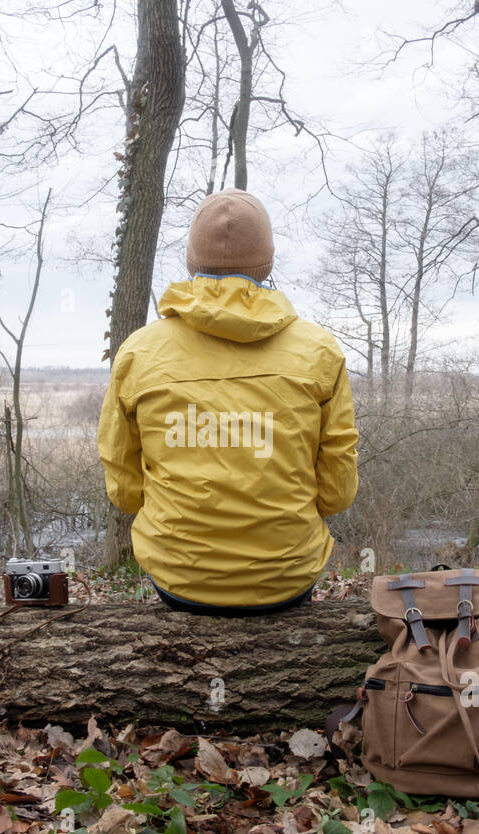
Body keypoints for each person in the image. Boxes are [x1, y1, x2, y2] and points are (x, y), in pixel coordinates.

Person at [97, 188, 358, 616]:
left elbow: (125, 491)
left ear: (192, 261)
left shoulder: (140, 352)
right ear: (267, 262)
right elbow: (337, 492)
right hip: (287, 574)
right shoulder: (319, 351)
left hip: (180, 576)